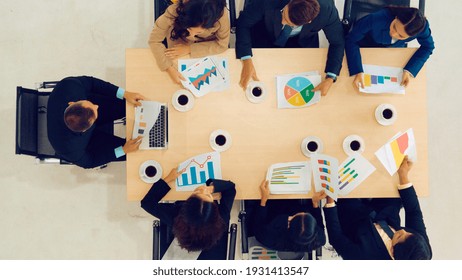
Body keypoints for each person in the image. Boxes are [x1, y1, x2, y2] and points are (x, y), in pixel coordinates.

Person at [316, 156, 432, 260]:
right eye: (408, 233)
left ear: (393, 250)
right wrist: (403, 175)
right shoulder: (421, 252)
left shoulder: (365, 259)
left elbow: (336, 238)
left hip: (355, 219)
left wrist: (330, 201)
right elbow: (413, 212)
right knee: (386, 172)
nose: (402, 230)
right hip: (386, 213)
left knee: (340, 174)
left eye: (400, 236)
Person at [235, 0, 344, 96]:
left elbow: (337, 42)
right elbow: (243, 23)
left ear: (308, 21)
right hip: (265, 37)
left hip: (302, 46)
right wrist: (246, 59)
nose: (282, 22)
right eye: (284, 14)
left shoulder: (327, 10)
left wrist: (331, 77)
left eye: (289, 23)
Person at [47, 76, 145, 169]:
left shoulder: (68, 86)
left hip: (84, 113)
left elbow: (92, 83)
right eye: (95, 109)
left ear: (72, 103)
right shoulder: (68, 148)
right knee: (135, 150)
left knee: (130, 103)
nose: (97, 106)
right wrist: (123, 150)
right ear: (86, 129)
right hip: (89, 142)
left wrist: (124, 93)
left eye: (92, 105)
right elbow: (91, 161)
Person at [140, 168, 236, 259]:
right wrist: (211, 189)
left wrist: (168, 178)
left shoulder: (175, 215)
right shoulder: (221, 218)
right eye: (207, 196)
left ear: (185, 205)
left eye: (197, 193)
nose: (202, 189)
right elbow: (230, 188)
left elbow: (147, 203)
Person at [345, 6, 435, 90]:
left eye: (401, 35)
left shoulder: (422, 29)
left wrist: (409, 70)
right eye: (394, 26)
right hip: (367, 45)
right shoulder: (375, 19)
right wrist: (357, 70)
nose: (393, 34)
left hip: (392, 53)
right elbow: (351, 40)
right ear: (396, 18)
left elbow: (428, 47)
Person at [148, 0, 230, 84]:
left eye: (198, 32)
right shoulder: (175, 11)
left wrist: (190, 49)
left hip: (206, 44)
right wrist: (169, 68)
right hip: (179, 38)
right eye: (189, 29)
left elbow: (222, 45)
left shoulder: (220, 16)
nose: (192, 35)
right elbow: (154, 40)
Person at [250, 180, 326, 252]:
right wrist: (315, 203)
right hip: (295, 205)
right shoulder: (320, 239)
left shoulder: (267, 237)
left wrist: (264, 199)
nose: (303, 212)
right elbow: (318, 220)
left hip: (273, 211)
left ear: (289, 222)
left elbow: (259, 222)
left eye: (300, 214)